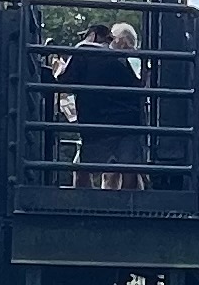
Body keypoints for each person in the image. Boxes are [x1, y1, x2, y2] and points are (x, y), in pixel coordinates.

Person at [63, 19, 146, 188]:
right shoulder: (126, 59)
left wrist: (59, 68)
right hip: (129, 122)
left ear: (92, 35)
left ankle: (83, 207)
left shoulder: (85, 50)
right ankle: (128, 209)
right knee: (129, 170)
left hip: (96, 124)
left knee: (83, 170)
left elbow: (66, 82)